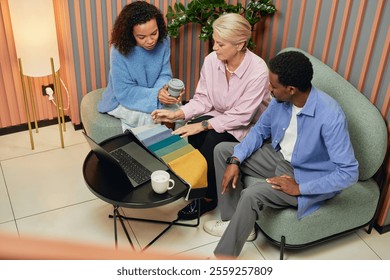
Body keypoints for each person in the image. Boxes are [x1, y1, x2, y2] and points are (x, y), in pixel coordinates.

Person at [204, 51, 359, 258]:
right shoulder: (280, 101)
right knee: (223, 150)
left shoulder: (330, 116)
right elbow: (259, 131)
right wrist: (235, 160)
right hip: (278, 157)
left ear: (291, 89)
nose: (269, 89)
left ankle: (223, 259)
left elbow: (349, 172)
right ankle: (235, 222)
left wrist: (300, 188)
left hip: (306, 175)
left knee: (252, 194)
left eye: (273, 86)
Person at [151, 13, 270, 220]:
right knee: (193, 128)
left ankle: (207, 198)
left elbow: (242, 116)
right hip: (221, 115)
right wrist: (177, 113)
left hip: (248, 125)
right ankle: (197, 184)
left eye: (221, 44)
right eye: (215, 41)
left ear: (240, 44)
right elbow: (203, 99)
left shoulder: (258, 71)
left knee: (212, 140)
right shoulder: (212, 60)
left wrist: (205, 125)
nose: (214, 47)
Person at [98, 1, 182, 130]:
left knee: (175, 114)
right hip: (124, 99)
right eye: (142, 37)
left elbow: (164, 74)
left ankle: (176, 148)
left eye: (154, 33)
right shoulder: (118, 51)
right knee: (154, 118)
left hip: (155, 93)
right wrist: (156, 95)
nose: (150, 41)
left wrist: (163, 91)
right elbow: (124, 91)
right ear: (130, 34)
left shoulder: (164, 41)